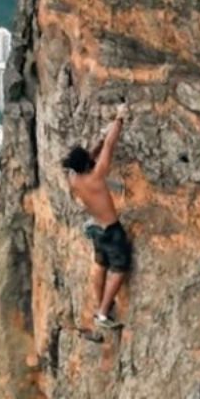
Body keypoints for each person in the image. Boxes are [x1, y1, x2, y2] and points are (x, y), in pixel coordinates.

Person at [63, 105, 131, 342]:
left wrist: (99, 141)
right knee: (119, 269)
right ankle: (102, 312)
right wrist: (119, 120)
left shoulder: (74, 179)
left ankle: (98, 303)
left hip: (96, 230)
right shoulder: (97, 176)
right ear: (88, 165)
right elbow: (110, 147)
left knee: (101, 264)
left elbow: (92, 155)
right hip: (111, 230)